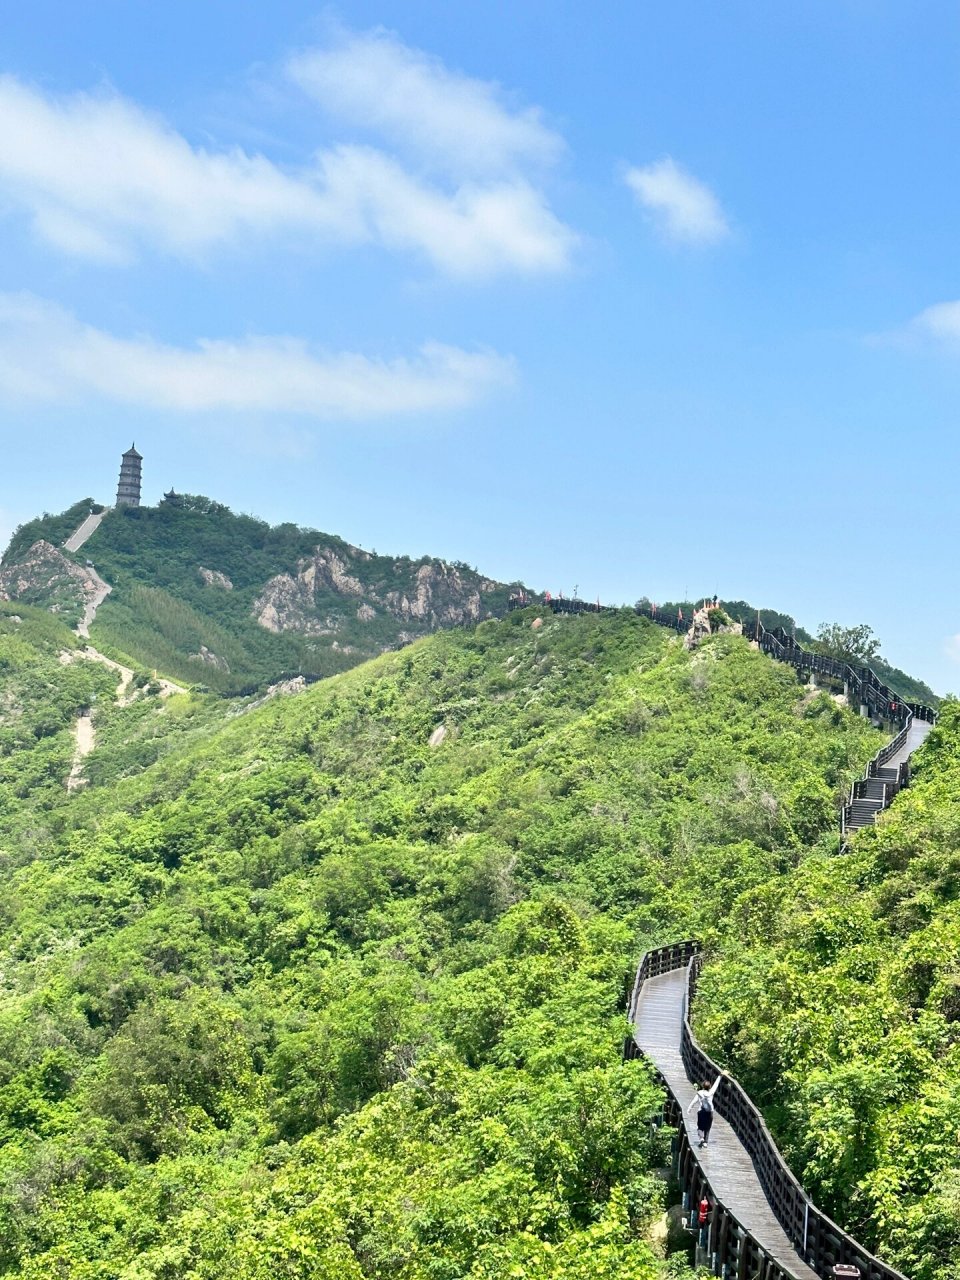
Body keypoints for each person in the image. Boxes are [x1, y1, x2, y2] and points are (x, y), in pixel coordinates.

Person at [687, 1076, 721, 1147]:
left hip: (701, 1112)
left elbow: (694, 1101)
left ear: (703, 1086)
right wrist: (720, 1076)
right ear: (709, 1087)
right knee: (707, 1127)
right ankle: (705, 1142)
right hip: (709, 1112)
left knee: (700, 1126)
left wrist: (689, 1108)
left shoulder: (699, 1093)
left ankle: (701, 1138)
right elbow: (716, 1084)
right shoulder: (711, 1092)